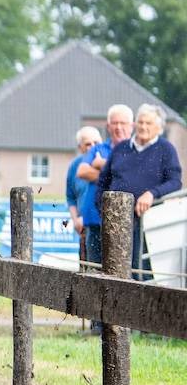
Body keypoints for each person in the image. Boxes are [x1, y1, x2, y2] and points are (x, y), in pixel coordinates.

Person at [97, 103, 183, 280]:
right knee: (112, 275)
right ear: (135, 123)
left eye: (149, 123)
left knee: (141, 275)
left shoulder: (166, 149)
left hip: (146, 225)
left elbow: (175, 182)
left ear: (159, 127)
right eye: (141, 122)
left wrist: (153, 193)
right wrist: (103, 210)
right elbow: (103, 182)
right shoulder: (120, 148)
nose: (143, 127)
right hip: (115, 224)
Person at [77, 105, 134, 273]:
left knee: (122, 274)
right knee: (94, 271)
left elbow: (133, 177)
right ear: (108, 126)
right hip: (95, 221)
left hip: (125, 224)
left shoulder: (136, 150)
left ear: (132, 126)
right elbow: (82, 171)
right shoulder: (98, 149)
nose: (118, 127)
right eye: (114, 123)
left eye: (123, 123)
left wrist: (102, 165)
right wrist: (114, 173)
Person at [66, 126, 103, 267]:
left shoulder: (107, 162)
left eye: (96, 143)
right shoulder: (75, 166)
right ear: (80, 147)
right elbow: (70, 197)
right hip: (83, 228)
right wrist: (75, 219)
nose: (92, 147)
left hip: (102, 224)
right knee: (86, 271)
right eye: (88, 144)